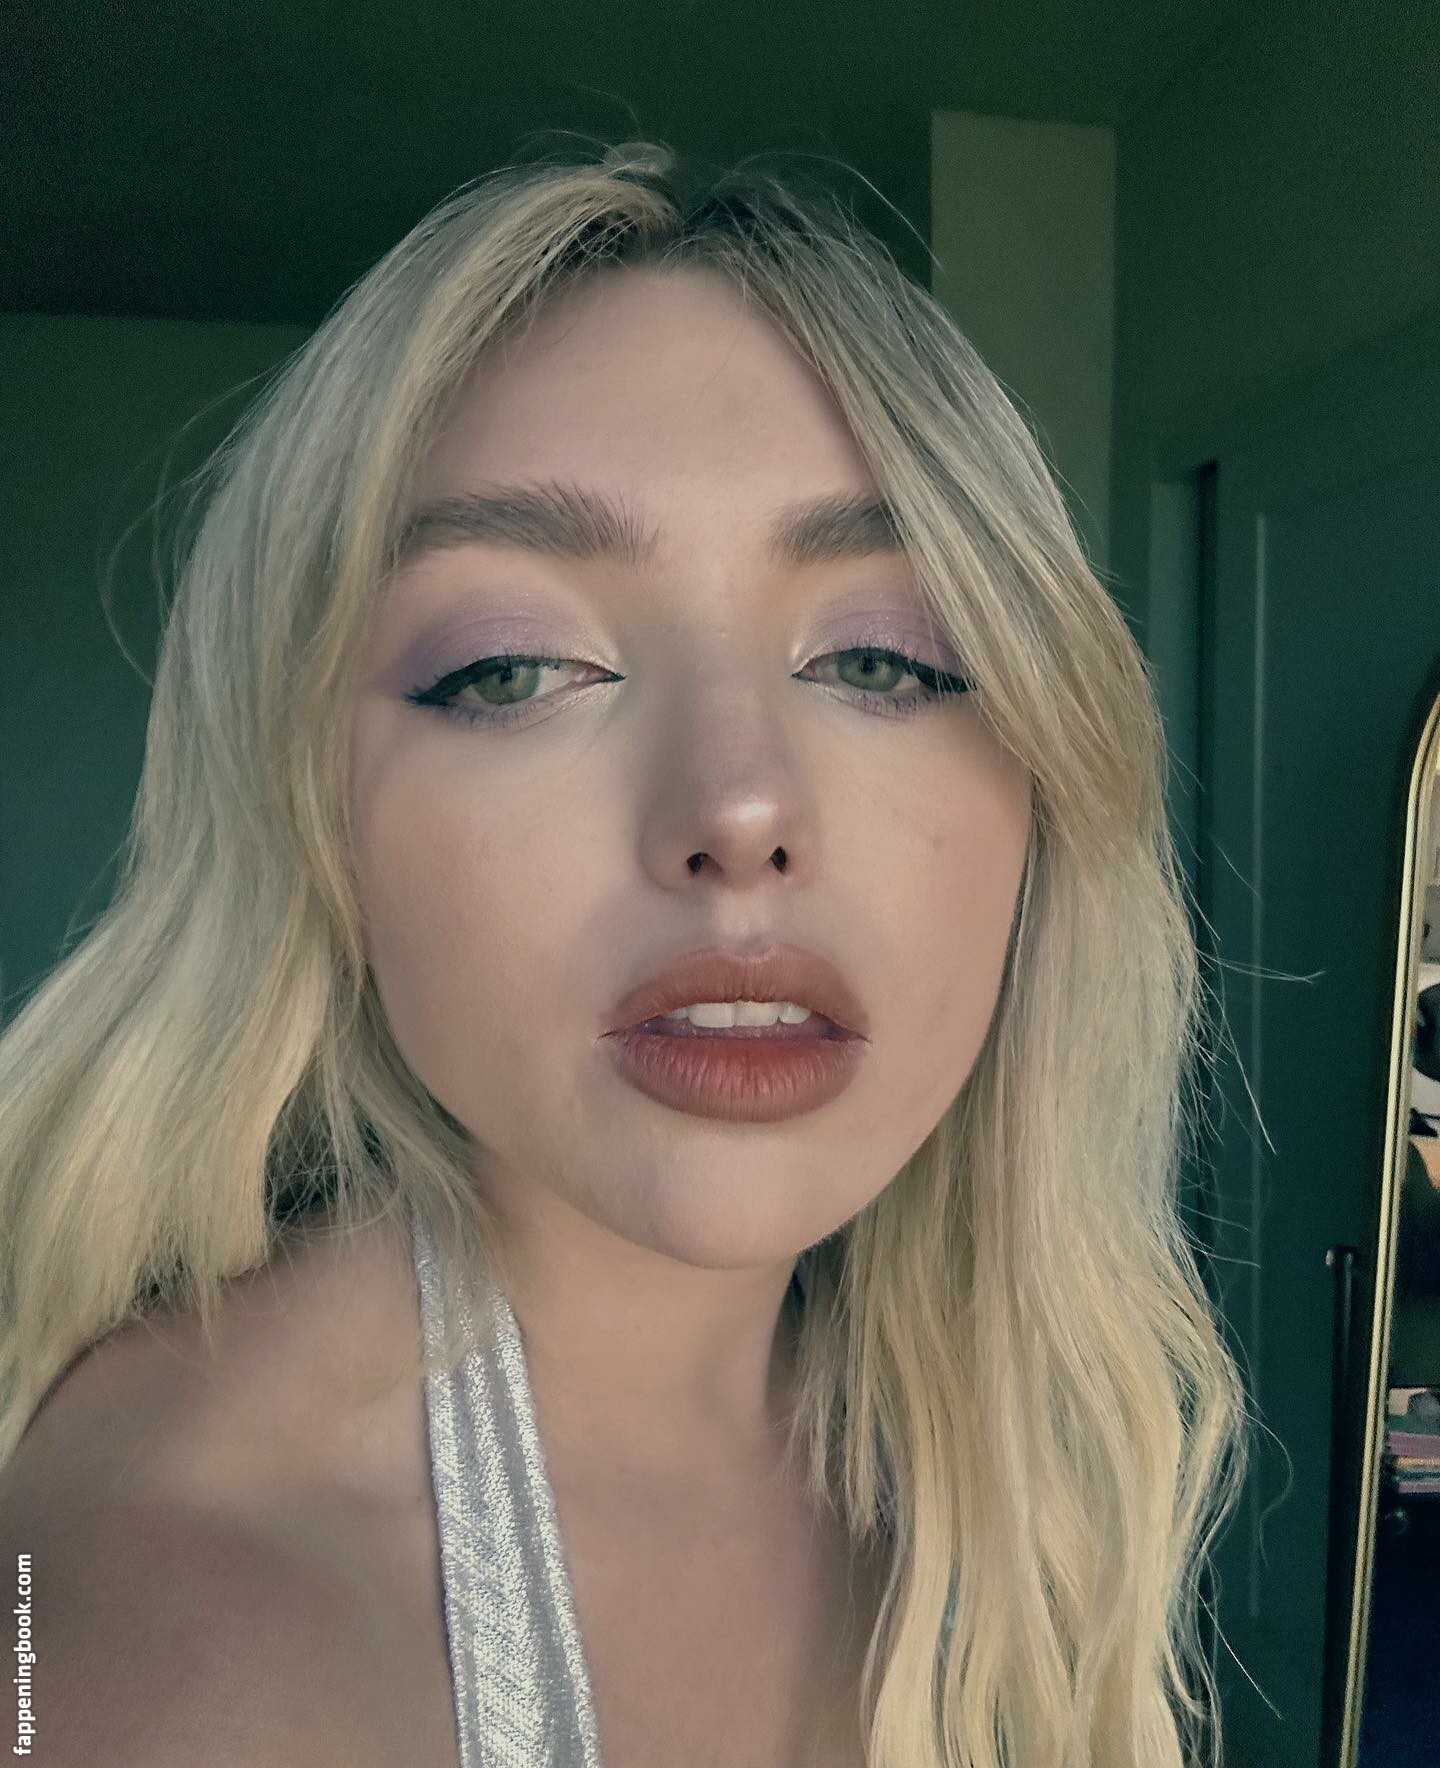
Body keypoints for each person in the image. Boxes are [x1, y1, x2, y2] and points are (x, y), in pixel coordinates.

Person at [0, 139, 1250, 1768]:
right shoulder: (169, 1646)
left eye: (883, 658)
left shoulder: (974, 1451)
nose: (739, 808)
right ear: (315, 821)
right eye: (515, 667)